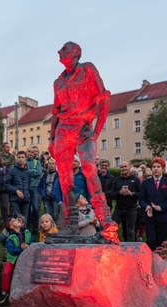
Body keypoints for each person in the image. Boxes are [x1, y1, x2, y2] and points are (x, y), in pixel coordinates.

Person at [48, 41, 118, 243]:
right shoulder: (58, 82)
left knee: (89, 170)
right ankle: (71, 224)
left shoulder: (87, 69)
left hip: (83, 128)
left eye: (65, 48)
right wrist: (52, 138)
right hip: (63, 131)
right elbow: (56, 112)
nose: (60, 51)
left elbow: (103, 98)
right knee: (64, 179)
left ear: (76, 52)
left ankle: (106, 221)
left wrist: (96, 132)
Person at [139, 157, 167, 250]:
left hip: (163, 217)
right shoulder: (145, 183)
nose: (155, 168)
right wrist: (147, 206)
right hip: (149, 217)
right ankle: (151, 262)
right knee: (151, 242)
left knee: (161, 243)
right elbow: (141, 200)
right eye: (154, 166)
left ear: (163, 168)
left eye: (158, 166)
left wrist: (160, 207)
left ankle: (161, 262)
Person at [0, 215, 33, 304]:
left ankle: (26, 292)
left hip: (25, 258)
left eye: (19, 220)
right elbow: (11, 250)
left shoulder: (27, 233)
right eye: (15, 220)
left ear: (22, 224)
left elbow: (32, 241)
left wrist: (28, 245)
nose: (17, 221)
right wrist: (21, 249)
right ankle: (4, 291)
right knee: (6, 272)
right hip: (12, 258)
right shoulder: (10, 237)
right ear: (11, 226)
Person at [109, 161, 141, 242]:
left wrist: (131, 193)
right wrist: (119, 192)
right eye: (122, 167)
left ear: (129, 167)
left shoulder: (135, 179)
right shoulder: (116, 180)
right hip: (118, 209)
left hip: (131, 209)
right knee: (112, 229)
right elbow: (111, 194)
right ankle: (111, 247)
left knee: (130, 231)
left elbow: (141, 194)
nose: (124, 168)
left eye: (125, 166)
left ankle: (131, 250)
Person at [5, 150, 31, 223]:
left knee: (24, 220)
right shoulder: (12, 170)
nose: (20, 159)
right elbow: (6, 184)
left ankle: (23, 233)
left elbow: (29, 185)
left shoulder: (28, 171)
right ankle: (13, 234)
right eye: (19, 157)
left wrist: (27, 195)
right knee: (15, 219)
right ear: (16, 158)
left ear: (25, 158)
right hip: (15, 199)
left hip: (26, 199)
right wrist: (16, 190)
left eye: (22, 157)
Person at [38, 157, 62, 222]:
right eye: (49, 163)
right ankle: (48, 230)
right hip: (46, 198)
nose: (51, 165)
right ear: (47, 165)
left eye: (53, 163)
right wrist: (42, 194)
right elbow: (40, 186)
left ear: (55, 165)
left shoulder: (59, 175)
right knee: (47, 215)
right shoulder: (44, 175)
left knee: (55, 215)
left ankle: (56, 230)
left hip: (55, 198)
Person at [27, 146, 43, 234]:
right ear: (26, 153)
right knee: (27, 209)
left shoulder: (37, 162)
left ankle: (36, 228)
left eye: (32, 152)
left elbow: (38, 172)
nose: (30, 153)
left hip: (35, 187)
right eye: (29, 151)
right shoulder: (24, 161)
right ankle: (28, 228)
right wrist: (32, 171)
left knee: (36, 208)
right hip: (25, 187)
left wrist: (29, 171)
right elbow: (24, 171)